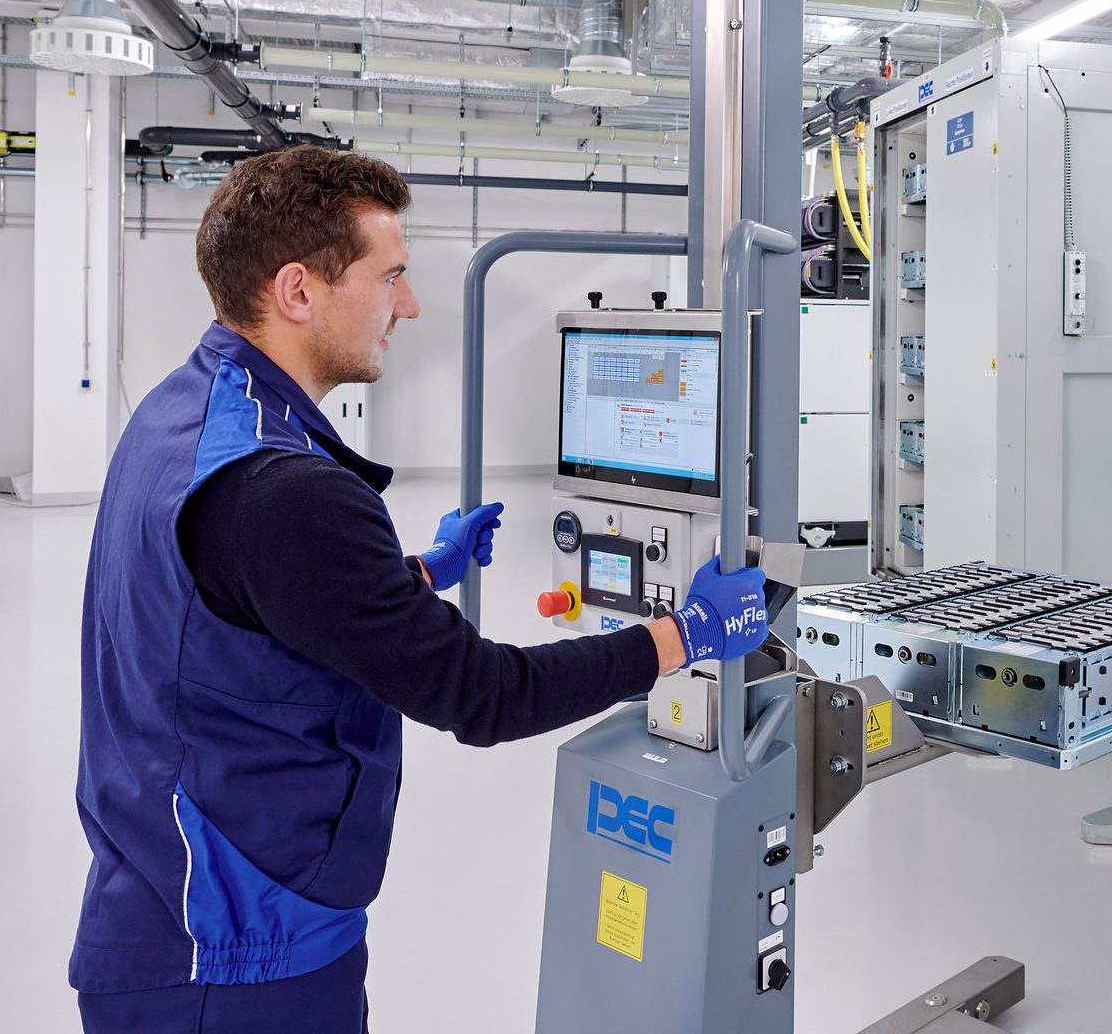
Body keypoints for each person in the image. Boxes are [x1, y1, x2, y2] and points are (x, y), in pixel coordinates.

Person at [69, 146, 771, 1032]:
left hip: (164, 902)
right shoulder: (286, 493)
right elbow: (483, 694)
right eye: (390, 276)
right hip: (239, 959)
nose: (409, 305)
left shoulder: (188, 412)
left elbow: (249, 601)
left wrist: (421, 574)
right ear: (297, 291)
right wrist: (685, 636)